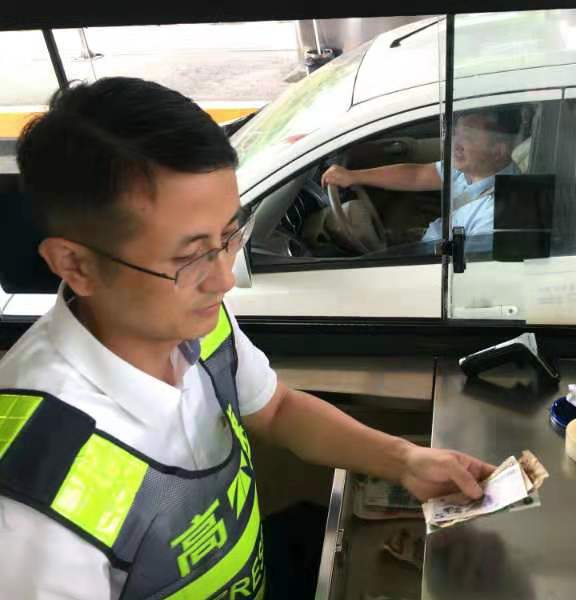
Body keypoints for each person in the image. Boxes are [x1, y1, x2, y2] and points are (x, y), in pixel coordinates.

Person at [0, 77, 494, 600]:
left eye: (230, 235)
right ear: (76, 264)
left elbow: (276, 409)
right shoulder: (32, 503)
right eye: (189, 256)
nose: (223, 279)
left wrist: (404, 460)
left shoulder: (194, 322)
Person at [321, 108, 521, 242]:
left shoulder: (494, 216)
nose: (455, 144)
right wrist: (353, 176)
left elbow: (464, 272)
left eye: (468, 137)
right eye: (456, 134)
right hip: (436, 239)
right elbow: (416, 175)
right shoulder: (470, 168)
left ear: (498, 151)